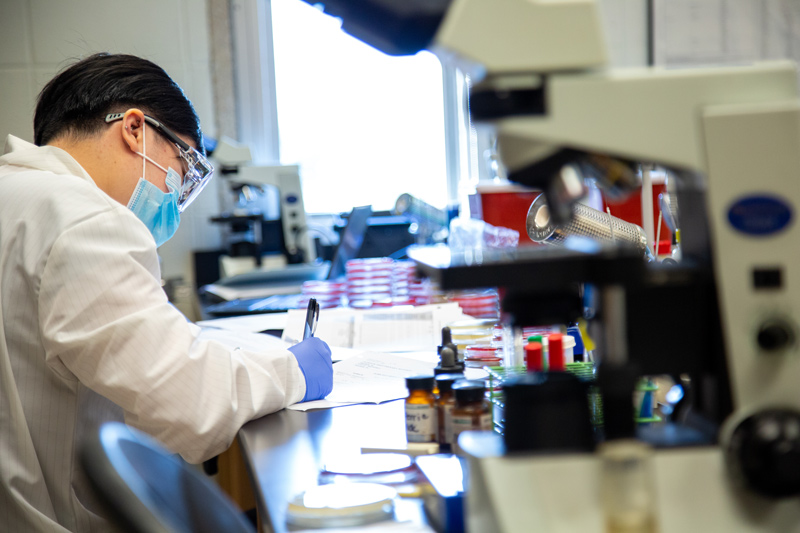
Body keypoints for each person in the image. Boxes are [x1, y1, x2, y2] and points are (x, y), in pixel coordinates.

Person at [0, 53, 333, 531]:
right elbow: (191, 404)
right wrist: (294, 371)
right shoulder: (88, 219)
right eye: (184, 167)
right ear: (135, 129)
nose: (176, 200)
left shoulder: (16, 194)